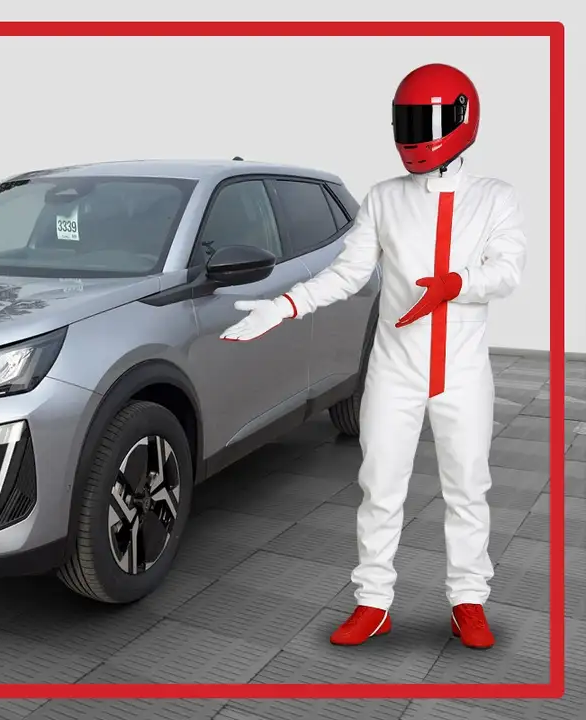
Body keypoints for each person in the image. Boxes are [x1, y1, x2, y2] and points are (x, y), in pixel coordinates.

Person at [220, 63, 527, 650]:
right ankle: (373, 602)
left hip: (462, 369)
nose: (415, 136)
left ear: (463, 119)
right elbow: (348, 273)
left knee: (468, 488)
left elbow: (508, 270)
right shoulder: (385, 198)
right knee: (379, 487)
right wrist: (284, 305)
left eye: (427, 122)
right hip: (395, 367)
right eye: (407, 122)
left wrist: (456, 285)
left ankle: (468, 600)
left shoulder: (495, 198)